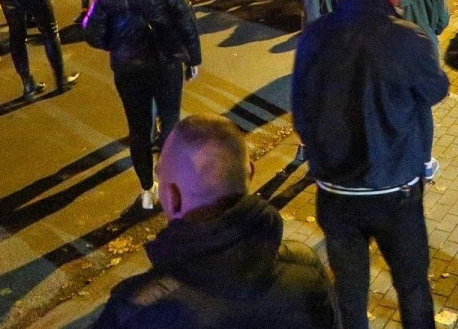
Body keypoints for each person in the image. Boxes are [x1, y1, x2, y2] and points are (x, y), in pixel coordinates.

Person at [292, 0, 449, 329]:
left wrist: (321, 157)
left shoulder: (316, 35)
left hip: (336, 192)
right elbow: (437, 90)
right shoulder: (408, 38)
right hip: (395, 191)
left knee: (349, 292)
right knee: (412, 287)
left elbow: (301, 109)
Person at [91, 115, 338, 328]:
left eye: (161, 176)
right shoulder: (305, 271)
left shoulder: (135, 310)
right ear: (250, 173)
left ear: (172, 197)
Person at [84, 0, 201, 210]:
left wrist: (115, 44)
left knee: (138, 129)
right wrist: (193, 59)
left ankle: (148, 189)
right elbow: (187, 23)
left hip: (128, 68)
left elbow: (91, 32)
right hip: (165, 63)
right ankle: (170, 176)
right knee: (170, 119)